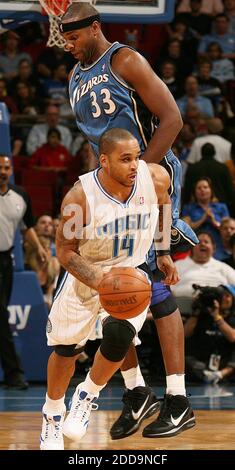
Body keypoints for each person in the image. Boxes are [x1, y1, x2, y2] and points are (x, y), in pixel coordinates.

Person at [58, 2, 197, 440]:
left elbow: (172, 119)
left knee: (152, 286)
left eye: (74, 36)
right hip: (110, 190)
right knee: (114, 287)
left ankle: (178, 401)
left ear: (94, 27)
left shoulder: (125, 59)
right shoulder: (75, 77)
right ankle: (138, 394)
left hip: (146, 182)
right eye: (64, 39)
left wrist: (139, 181)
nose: (69, 45)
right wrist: (101, 187)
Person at [40, 128, 195, 450]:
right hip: (85, 274)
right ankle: (52, 414)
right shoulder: (79, 197)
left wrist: (163, 252)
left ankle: (87, 395)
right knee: (67, 350)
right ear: (104, 161)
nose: (134, 165)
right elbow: (66, 251)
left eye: (137, 157)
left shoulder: (155, 178)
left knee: (120, 334)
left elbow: (165, 208)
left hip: (130, 272)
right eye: (126, 159)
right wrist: (99, 281)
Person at [0, 155, 47, 389]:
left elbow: (27, 227)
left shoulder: (20, 196)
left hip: (4, 262)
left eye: (6, 167)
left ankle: (13, 374)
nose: (3, 171)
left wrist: (38, 248)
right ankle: (14, 374)